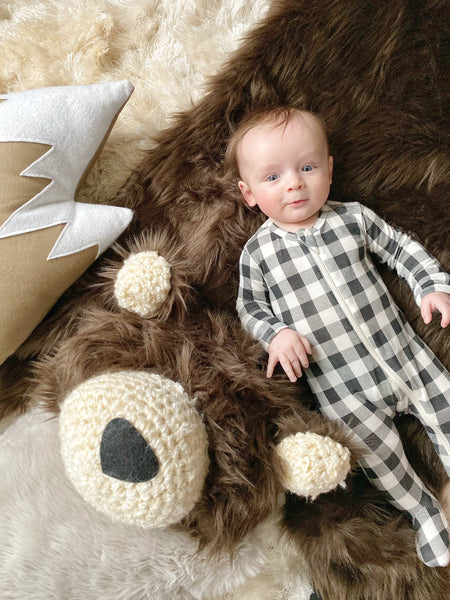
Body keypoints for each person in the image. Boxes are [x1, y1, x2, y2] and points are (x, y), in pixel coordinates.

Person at [226, 106, 450, 568]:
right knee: (381, 458)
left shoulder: (352, 219)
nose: (294, 184)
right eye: (273, 177)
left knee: (446, 405)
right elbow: (249, 308)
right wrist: (277, 334)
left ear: (329, 169)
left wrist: (431, 284)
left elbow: (400, 247)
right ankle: (425, 513)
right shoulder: (259, 253)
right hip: (344, 389)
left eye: (307, 168)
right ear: (249, 194)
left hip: (406, 357)